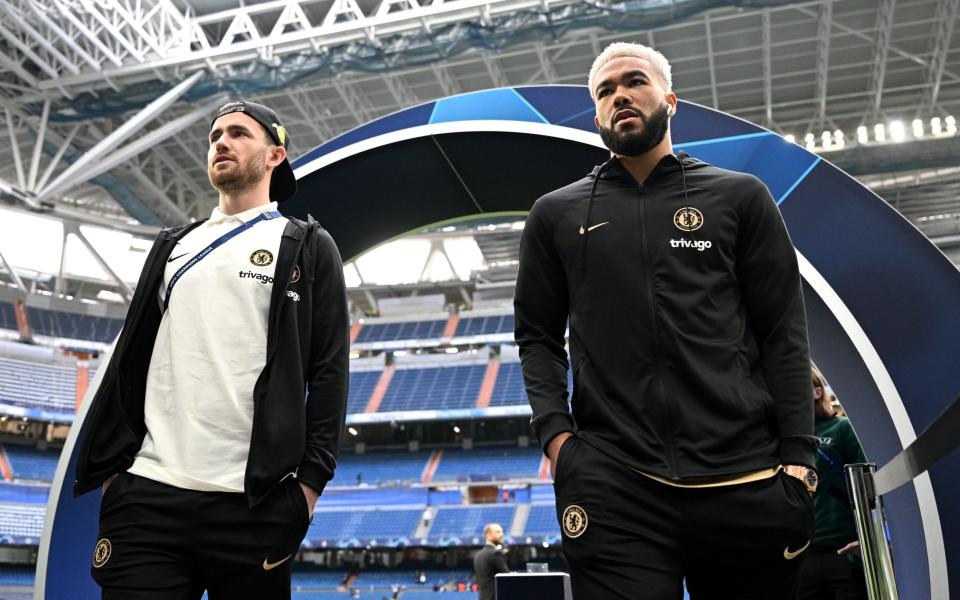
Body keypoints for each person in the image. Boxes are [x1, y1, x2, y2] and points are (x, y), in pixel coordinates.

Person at [514, 41, 818, 600]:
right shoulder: (555, 213)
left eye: (635, 82)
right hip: (614, 483)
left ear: (670, 100)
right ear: (597, 113)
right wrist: (559, 441)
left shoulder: (740, 197)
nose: (620, 96)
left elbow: (783, 331)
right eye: (605, 91)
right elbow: (536, 336)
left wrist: (798, 460)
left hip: (744, 479)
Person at [73, 100, 350, 599]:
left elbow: (329, 371)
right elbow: (130, 363)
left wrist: (307, 488)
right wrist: (116, 476)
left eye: (239, 133)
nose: (220, 141)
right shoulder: (172, 246)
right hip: (147, 495)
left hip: (253, 505)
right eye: (214, 135)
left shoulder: (305, 244)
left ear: (275, 156)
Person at [794, 367, 868, 600]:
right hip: (801, 556)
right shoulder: (787, 441)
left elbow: (869, 486)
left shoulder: (841, 428)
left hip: (844, 550)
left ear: (817, 392)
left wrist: (868, 539)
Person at [473, 523, 509, 600]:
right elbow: (508, 578)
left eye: (502, 532)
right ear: (488, 535)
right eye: (498, 532)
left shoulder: (478, 555)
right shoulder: (495, 553)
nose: (502, 534)